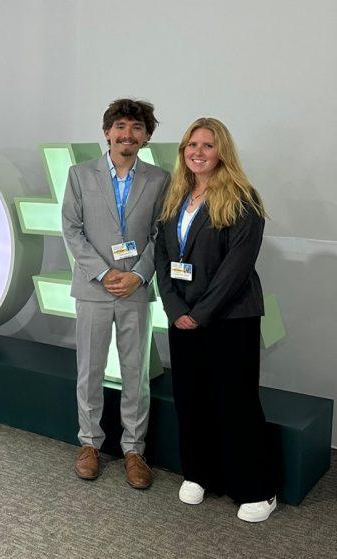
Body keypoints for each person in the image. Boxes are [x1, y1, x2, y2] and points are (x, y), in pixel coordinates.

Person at [154, 117, 278, 522]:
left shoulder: (244, 198)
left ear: (222, 150)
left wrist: (200, 314)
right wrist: (176, 310)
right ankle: (199, 474)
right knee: (191, 398)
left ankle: (257, 488)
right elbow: (162, 255)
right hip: (183, 317)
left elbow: (236, 269)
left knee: (236, 402)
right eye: (192, 145)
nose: (198, 152)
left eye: (207, 145)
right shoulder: (176, 195)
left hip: (230, 319)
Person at [62, 99, 170, 488]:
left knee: (135, 373)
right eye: (120, 126)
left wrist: (139, 276)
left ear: (146, 135)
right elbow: (72, 229)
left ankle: (134, 449)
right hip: (94, 287)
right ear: (107, 132)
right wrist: (104, 272)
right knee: (89, 368)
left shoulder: (159, 179)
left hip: (135, 291)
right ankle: (89, 443)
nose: (127, 134)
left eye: (136, 128)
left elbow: (162, 236)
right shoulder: (80, 174)